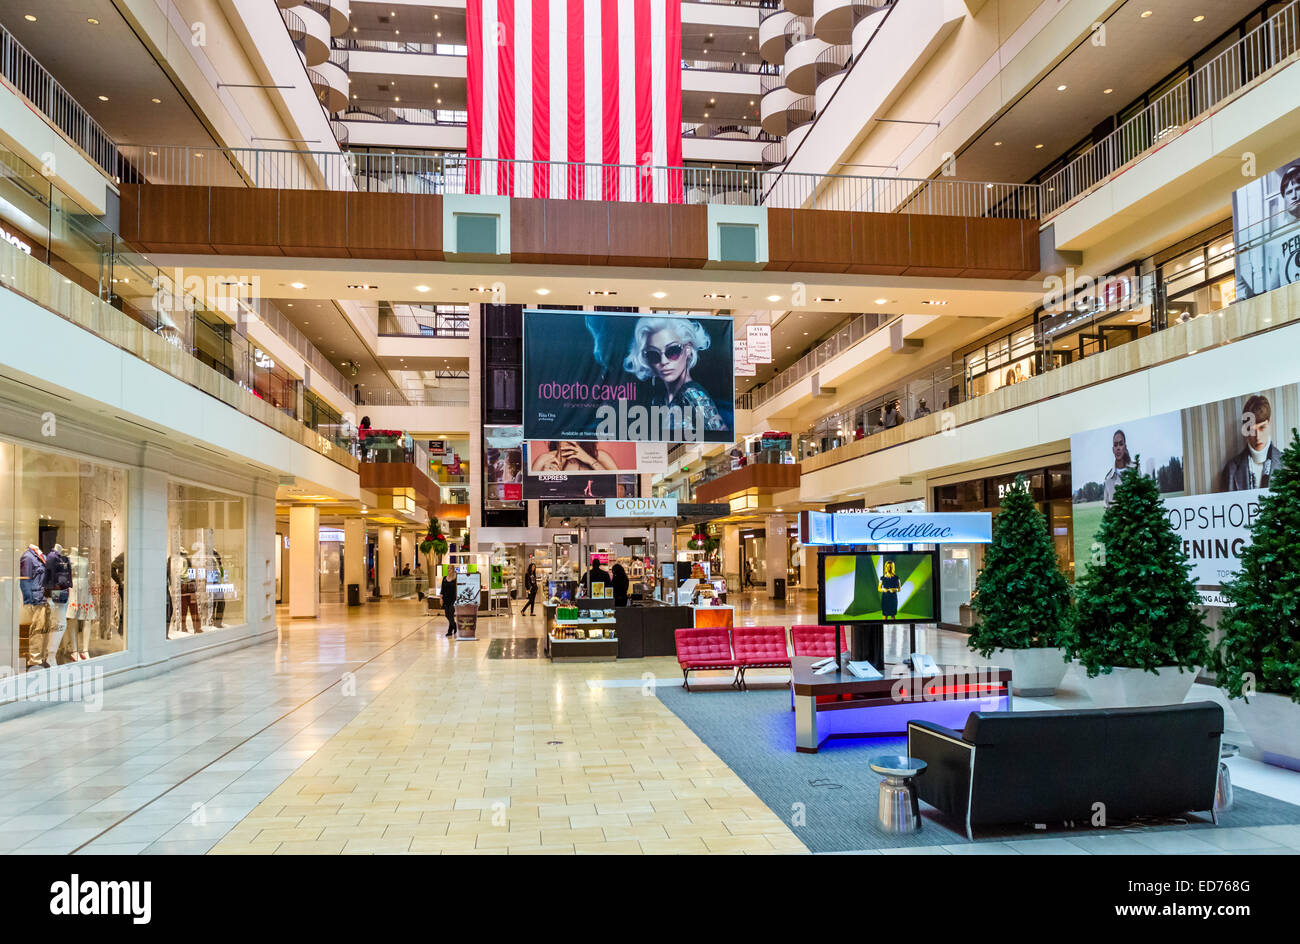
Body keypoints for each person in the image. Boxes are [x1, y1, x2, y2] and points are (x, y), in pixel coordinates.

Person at [623, 317, 726, 438]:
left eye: (672, 351)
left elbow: (721, 437)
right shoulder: (659, 401)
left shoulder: (693, 395)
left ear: (688, 349)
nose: (663, 361)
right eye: (653, 355)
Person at [1221, 393, 1286, 491]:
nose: (1258, 437)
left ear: (1269, 423)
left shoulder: (1287, 464)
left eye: (1262, 427)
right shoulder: (1231, 470)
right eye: (1252, 430)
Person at [530, 441, 620, 473]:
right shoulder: (544, 459)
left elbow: (619, 489)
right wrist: (544, 476)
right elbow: (532, 495)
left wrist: (589, 459)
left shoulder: (599, 456)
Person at [1103, 429, 1136, 506]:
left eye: (1121, 444)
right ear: (1113, 450)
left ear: (1125, 447)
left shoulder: (1135, 469)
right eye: (1115, 445)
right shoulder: (1108, 479)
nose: (1118, 448)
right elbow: (1107, 508)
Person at [440, 571, 458, 637]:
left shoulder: (455, 579)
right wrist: (441, 598)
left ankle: (449, 631)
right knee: (447, 614)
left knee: (450, 615)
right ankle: (454, 625)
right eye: (448, 568)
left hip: (453, 600)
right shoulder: (444, 578)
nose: (449, 570)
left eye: (451, 569)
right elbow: (442, 589)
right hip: (446, 599)